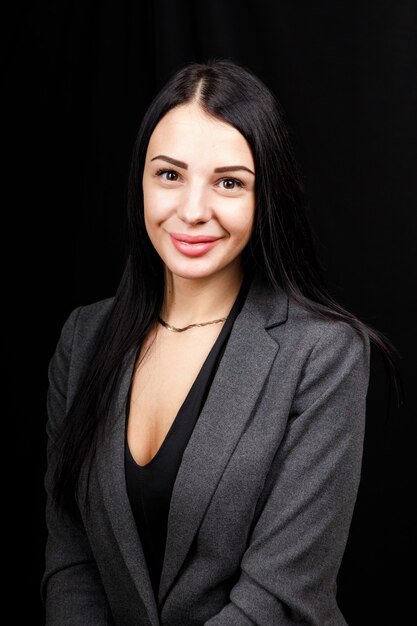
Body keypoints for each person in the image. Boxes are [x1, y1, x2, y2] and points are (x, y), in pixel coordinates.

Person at [42, 59, 389, 625]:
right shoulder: (83, 340)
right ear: (141, 182)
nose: (193, 211)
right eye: (170, 175)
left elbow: (277, 598)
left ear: (264, 197)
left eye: (229, 182)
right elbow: (72, 560)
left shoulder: (324, 353)